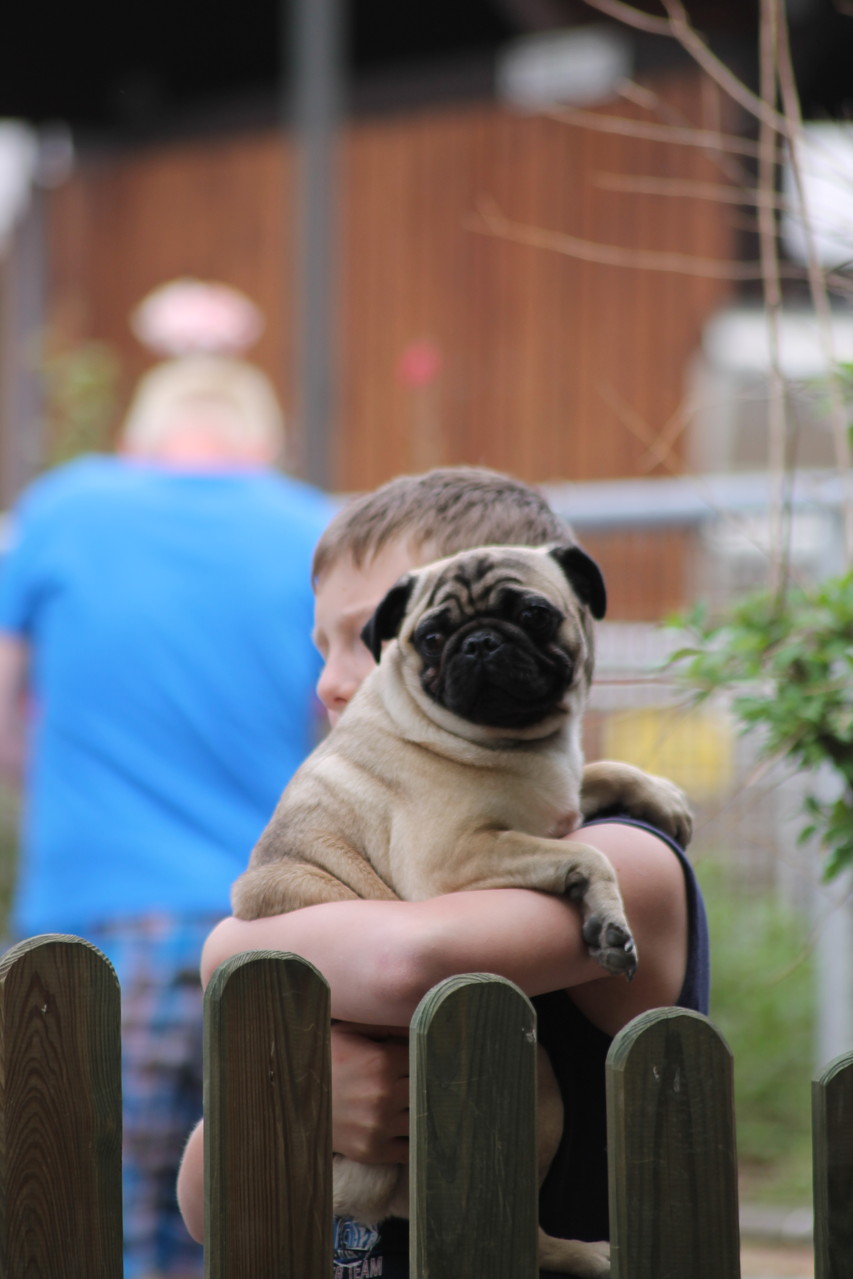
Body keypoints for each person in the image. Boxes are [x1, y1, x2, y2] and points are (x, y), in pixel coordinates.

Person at [176, 465, 710, 1278]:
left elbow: (406, 962)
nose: (330, 677)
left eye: (366, 638)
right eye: (318, 644)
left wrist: (229, 948)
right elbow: (206, 1207)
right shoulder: (362, 833)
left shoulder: (624, 858)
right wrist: (295, 1090)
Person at [0, 345, 334, 1278]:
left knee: (90, 1204)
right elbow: (339, 725)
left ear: (140, 435)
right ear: (264, 441)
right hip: (275, 920)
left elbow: (3, 711)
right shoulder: (312, 531)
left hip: (97, 913)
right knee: (259, 1201)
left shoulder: (67, 508)